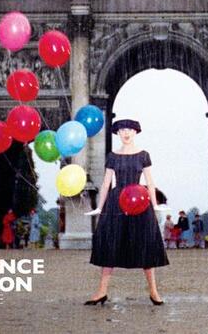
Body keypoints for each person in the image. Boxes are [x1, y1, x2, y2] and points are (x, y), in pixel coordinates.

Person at [84, 119, 169, 306]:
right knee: (110, 244)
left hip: (139, 201)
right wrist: (99, 207)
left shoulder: (144, 155)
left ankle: (154, 291)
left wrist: (154, 204)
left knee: (145, 243)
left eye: (129, 129)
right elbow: (106, 183)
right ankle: (101, 291)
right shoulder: (112, 156)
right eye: (122, 129)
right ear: (117, 133)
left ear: (136, 132)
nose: (126, 133)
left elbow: (150, 182)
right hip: (116, 202)